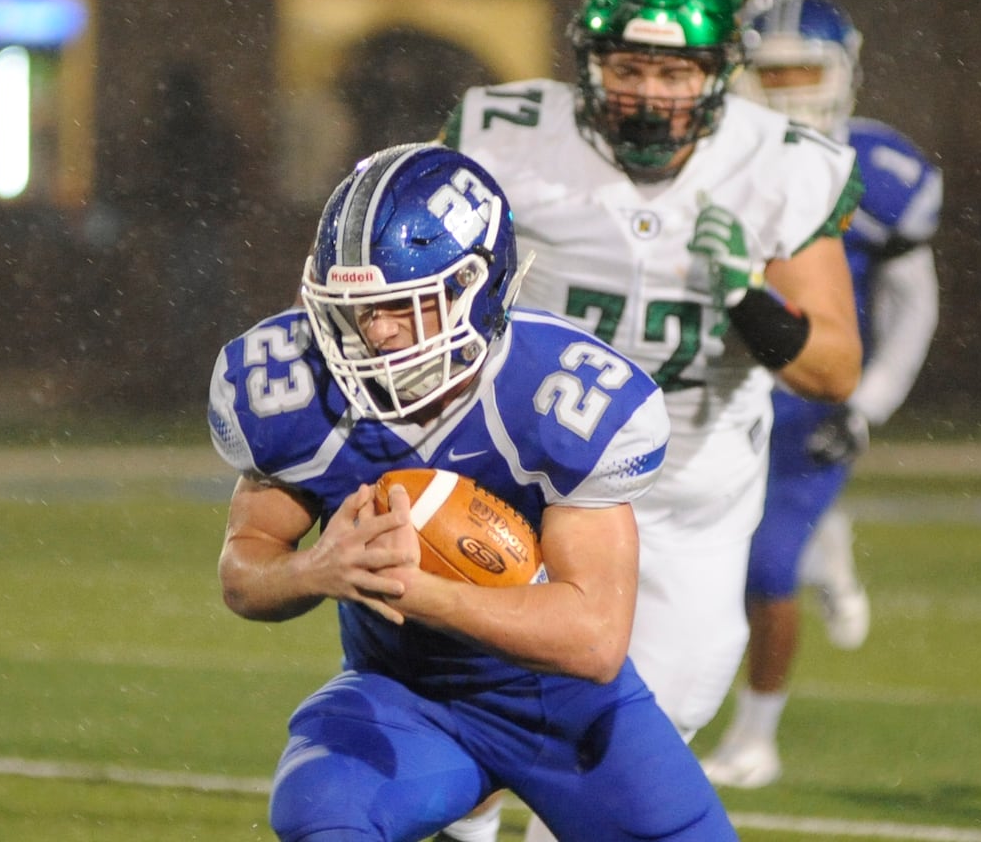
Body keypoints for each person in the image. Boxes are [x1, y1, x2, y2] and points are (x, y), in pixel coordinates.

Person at [440, 0, 863, 841]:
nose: (648, 93)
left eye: (675, 71)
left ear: (718, 78)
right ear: (587, 67)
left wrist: (749, 294)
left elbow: (832, 369)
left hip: (685, 504)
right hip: (525, 479)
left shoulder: (777, 164)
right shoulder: (507, 138)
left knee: (629, 752)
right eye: (628, 67)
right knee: (471, 735)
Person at [207, 142, 738, 842]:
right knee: (321, 809)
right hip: (407, 697)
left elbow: (593, 640)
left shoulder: (561, 394)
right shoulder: (293, 387)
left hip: (564, 704)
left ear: (473, 288)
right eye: (358, 309)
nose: (378, 331)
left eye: (405, 305)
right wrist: (315, 570)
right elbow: (245, 571)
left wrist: (409, 588)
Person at [700, 0, 943, 788]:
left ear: (845, 70)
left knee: (766, 568)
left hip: (811, 392)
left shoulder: (882, 169)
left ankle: (757, 735)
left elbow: (914, 305)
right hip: (717, 390)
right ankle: (824, 539)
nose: (790, 91)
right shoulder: (715, 156)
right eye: (773, 74)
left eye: (806, 72)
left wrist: (868, 408)